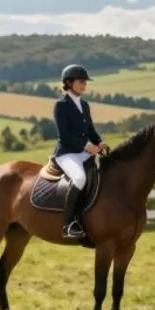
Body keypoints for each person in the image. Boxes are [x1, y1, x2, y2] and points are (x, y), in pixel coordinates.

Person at [52, 64, 107, 239]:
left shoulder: (84, 104)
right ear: (69, 83)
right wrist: (86, 146)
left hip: (83, 152)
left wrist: (100, 142)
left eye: (85, 82)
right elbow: (64, 136)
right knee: (80, 178)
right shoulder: (61, 105)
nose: (84, 85)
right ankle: (68, 225)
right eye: (81, 81)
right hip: (66, 153)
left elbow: (90, 130)